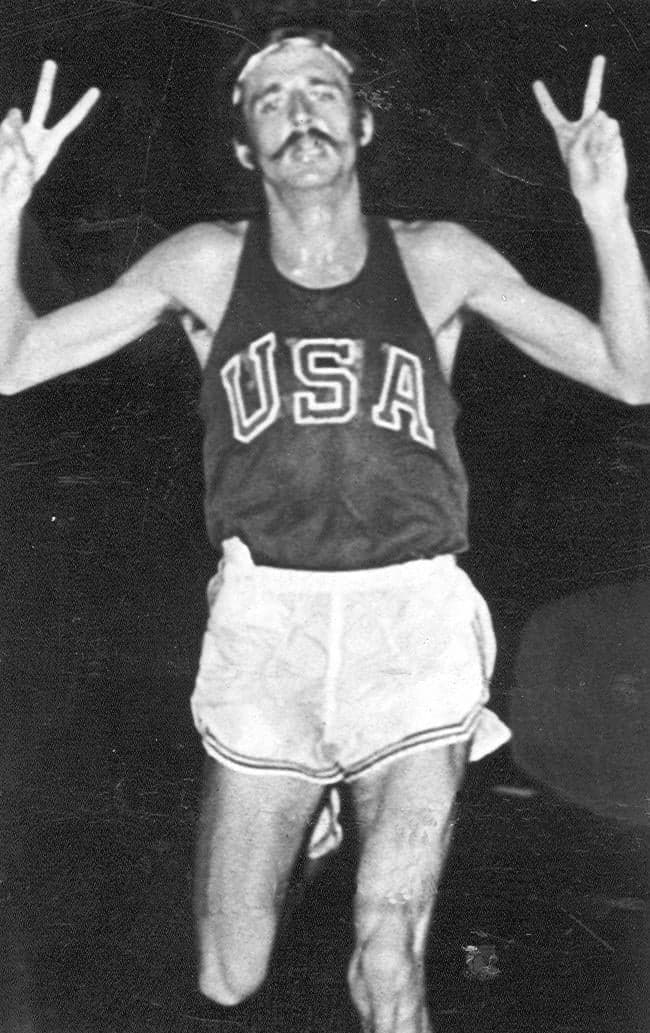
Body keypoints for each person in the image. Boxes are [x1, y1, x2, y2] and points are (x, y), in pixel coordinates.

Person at [0, 28, 648, 1033]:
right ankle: (314, 813)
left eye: (320, 91)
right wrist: (2, 210)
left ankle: (355, 822)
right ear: (243, 149)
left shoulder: (435, 259)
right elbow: (15, 359)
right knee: (230, 970)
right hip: (270, 623)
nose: (299, 111)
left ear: (363, 120)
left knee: (389, 950)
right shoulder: (208, 264)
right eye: (270, 100)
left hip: (411, 620)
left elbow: (629, 370)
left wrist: (604, 213)